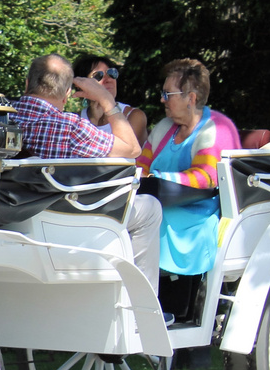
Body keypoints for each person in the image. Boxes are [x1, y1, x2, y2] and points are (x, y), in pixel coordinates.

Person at [10, 54, 162, 288]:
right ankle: (141, 305)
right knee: (150, 208)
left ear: (27, 83)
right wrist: (107, 102)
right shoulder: (72, 127)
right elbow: (132, 149)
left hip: (11, 216)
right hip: (63, 222)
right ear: (68, 93)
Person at [138, 58, 241, 279]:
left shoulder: (216, 128)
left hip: (197, 220)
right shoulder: (164, 128)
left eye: (168, 94)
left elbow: (205, 178)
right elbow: (140, 167)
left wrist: (155, 179)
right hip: (161, 205)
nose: (162, 99)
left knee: (143, 221)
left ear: (190, 99)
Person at [72, 52, 148, 147]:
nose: (108, 79)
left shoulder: (134, 116)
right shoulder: (75, 121)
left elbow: (122, 152)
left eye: (111, 73)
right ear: (81, 86)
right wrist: (93, 121)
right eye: (98, 75)